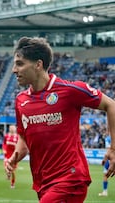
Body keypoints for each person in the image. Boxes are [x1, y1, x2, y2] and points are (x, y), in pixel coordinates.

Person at [6, 36, 115, 203]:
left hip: (70, 179)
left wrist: (113, 148)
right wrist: (15, 157)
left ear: (38, 65)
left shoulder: (69, 91)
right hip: (43, 183)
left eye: (20, 64)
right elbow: (24, 138)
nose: (14, 69)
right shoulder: (21, 101)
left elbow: (111, 105)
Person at [2, 124, 19, 189]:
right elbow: (4, 143)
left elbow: (19, 146)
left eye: (13, 128)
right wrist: (4, 149)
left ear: (15, 129)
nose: (11, 129)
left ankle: (12, 183)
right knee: (5, 168)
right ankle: (8, 175)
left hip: (14, 156)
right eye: (10, 128)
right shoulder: (6, 136)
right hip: (7, 155)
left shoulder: (17, 137)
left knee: (13, 171)